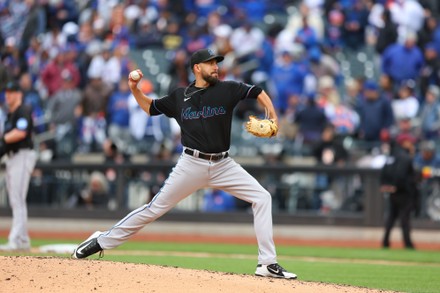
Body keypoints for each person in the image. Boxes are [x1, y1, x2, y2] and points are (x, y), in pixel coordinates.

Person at [71, 48, 297, 280]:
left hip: (223, 164)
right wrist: (134, 89)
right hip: (191, 164)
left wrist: (273, 116)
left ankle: (267, 263)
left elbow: (257, 91)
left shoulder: (228, 89)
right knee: (153, 209)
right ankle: (100, 240)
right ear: (197, 68)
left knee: (262, 197)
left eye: (217, 63)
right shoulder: (180, 96)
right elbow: (150, 107)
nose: (216, 67)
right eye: (210, 63)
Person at [0, 81, 37, 251]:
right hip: (12, 157)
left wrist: (3, 139)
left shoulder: (24, 109)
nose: (8, 95)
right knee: (16, 199)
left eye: (12, 91)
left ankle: (15, 240)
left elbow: (20, 132)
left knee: (17, 199)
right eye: (7, 92)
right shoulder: (11, 113)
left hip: (22, 155)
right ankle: (22, 240)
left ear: (19, 94)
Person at [380, 140, 417, 249]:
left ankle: (385, 242)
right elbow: (401, 175)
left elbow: (384, 171)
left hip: (393, 191)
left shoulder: (392, 156)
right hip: (404, 192)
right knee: (404, 218)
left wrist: (386, 185)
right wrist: (397, 185)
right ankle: (407, 243)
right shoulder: (405, 157)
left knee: (391, 218)